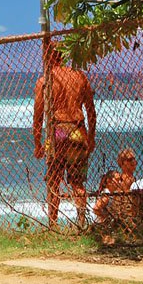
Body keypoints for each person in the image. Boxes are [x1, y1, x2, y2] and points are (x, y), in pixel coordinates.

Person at [32, 43, 97, 227]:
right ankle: (81, 222)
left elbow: (38, 116)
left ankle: (53, 224)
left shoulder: (45, 80)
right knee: (77, 183)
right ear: (63, 56)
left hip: (57, 131)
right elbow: (91, 112)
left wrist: (37, 143)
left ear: (48, 57)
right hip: (78, 130)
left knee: (53, 182)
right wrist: (91, 137)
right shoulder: (79, 76)